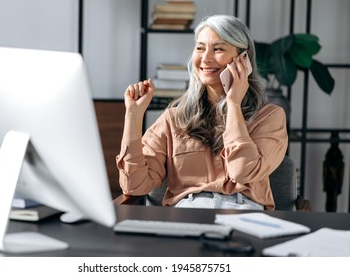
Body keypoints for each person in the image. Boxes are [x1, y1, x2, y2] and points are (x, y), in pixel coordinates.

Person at [116, 15, 288, 210]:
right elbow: (135, 186)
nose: (205, 58)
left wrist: (233, 103)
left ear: (243, 58)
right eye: (200, 48)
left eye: (218, 49)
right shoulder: (173, 119)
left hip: (244, 213)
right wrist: (133, 115)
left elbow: (242, 172)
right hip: (187, 213)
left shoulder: (270, 117)